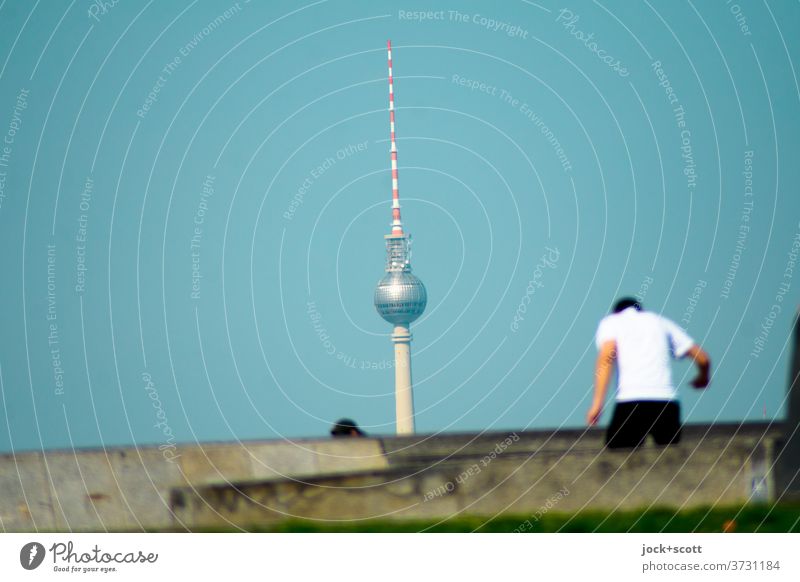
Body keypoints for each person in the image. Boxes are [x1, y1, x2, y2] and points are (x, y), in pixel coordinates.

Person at [586, 297, 711, 448]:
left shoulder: (612, 322)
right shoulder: (661, 322)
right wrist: (703, 377)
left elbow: (606, 357)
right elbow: (703, 359)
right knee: (670, 464)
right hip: (667, 403)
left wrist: (597, 404)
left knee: (617, 463)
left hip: (631, 401)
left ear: (617, 312)